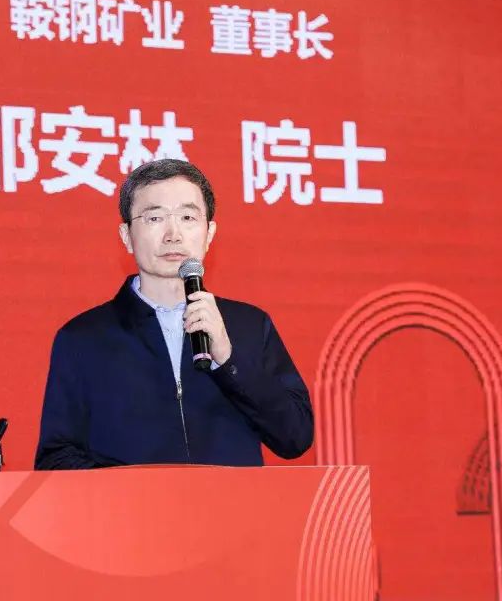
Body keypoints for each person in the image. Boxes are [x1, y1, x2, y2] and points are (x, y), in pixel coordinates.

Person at [34, 159, 313, 469]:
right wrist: (136, 489)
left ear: (209, 233)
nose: (173, 234)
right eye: (155, 218)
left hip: (233, 503)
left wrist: (228, 359)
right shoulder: (83, 338)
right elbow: (56, 458)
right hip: (129, 503)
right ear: (126, 235)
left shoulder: (250, 325)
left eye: (188, 217)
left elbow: (296, 437)